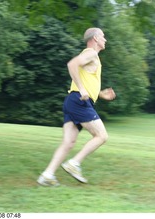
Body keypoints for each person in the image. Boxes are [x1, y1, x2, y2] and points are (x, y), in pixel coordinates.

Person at [37, 27, 116, 186]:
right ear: (95, 39)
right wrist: (81, 88)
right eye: (103, 36)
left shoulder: (90, 56)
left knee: (68, 142)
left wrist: (99, 94)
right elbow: (71, 64)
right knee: (102, 136)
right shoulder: (90, 53)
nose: (105, 39)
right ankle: (74, 164)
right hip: (79, 101)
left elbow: (86, 80)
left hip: (73, 101)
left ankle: (47, 175)